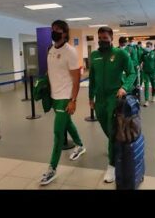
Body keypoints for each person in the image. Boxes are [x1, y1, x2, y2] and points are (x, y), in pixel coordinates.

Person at [40, 20, 86, 186]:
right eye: (52, 29)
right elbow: (52, 71)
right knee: (67, 124)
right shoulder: (50, 50)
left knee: (58, 133)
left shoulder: (70, 52)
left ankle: (52, 169)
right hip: (54, 96)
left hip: (66, 97)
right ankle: (80, 145)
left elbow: (76, 79)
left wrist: (73, 101)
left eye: (58, 30)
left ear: (65, 33)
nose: (54, 32)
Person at [89, 27, 136, 183]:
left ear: (111, 38)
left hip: (114, 97)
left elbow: (132, 73)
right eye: (100, 38)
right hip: (99, 98)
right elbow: (92, 78)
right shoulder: (94, 55)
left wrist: (124, 87)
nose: (102, 40)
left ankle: (112, 165)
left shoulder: (120, 54)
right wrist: (91, 97)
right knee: (106, 127)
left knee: (111, 126)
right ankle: (118, 146)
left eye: (105, 38)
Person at [141, 41, 155, 107]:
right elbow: (140, 60)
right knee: (146, 87)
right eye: (147, 46)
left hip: (153, 73)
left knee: (154, 86)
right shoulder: (143, 54)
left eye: (149, 46)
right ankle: (146, 100)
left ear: (151, 47)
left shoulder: (154, 53)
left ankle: (153, 96)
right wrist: (139, 65)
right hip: (145, 73)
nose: (147, 47)